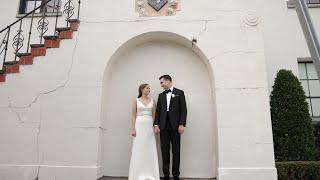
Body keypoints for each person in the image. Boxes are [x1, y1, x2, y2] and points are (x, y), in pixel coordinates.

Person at [154, 75, 187, 180]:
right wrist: (156, 124)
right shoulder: (161, 95)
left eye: (162, 82)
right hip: (163, 127)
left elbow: (184, 110)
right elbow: (158, 111)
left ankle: (176, 175)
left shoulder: (179, 93)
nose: (161, 85)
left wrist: (182, 124)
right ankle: (166, 175)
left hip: (176, 127)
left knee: (176, 151)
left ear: (168, 81)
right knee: (164, 152)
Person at [128, 83, 160, 180]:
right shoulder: (136, 101)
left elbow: (154, 115)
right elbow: (133, 116)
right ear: (141, 89)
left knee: (149, 147)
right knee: (139, 147)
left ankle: (151, 173)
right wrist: (133, 128)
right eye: (147, 88)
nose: (149, 90)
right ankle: (137, 174)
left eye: (149, 88)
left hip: (149, 126)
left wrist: (155, 126)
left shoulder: (152, 101)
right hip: (139, 125)